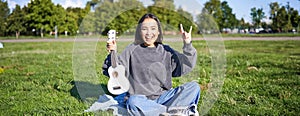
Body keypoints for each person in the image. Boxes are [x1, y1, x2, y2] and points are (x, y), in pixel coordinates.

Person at [102, 13, 200, 116]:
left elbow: (185, 65)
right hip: (141, 99)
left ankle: (160, 112)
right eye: (144, 29)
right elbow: (115, 71)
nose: (149, 33)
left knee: (194, 87)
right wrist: (112, 53)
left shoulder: (166, 51)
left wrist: (187, 43)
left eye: (153, 28)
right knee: (133, 102)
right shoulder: (132, 50)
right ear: (139, 31)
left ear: (158, 32)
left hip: (164, 97)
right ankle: (172, 111)